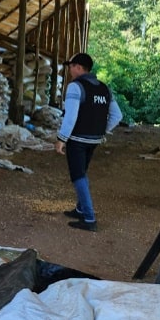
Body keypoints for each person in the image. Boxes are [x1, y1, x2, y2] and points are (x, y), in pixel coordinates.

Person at [56, 52, 122, 233]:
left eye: (70, 66)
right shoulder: (104, 88)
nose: (69, 70)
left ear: (78, 67)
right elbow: (117, 115)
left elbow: (71, 116)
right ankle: (80, 209)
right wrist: (102, 130)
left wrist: (61, 139)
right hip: (94, 139)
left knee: (78, 176)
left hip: (77, 139)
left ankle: (89, 217)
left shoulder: (75, 87)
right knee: (83, 171)